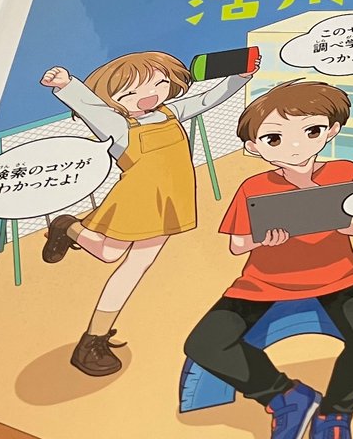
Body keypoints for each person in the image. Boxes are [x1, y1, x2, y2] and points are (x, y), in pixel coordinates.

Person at [183, 81, 353, 439]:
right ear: (254, 147)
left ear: (331, 130)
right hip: (264, 282)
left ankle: (334, 413)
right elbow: (237, 244)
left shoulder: (345, 172)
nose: (295, 146)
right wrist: (263, 239)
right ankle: (284, 397)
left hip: (339, 276)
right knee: (203, 344)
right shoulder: (254, 187)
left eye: (311, 131)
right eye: (275, 138)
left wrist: (344, 222)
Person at [39, 51, 252, 376]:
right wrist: (67, 84)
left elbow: (206, 99)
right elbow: (91, 108)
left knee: (136, 266)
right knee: (110, 254)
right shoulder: (117, 124)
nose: (150, 94)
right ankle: (69, 227)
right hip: (135, 201)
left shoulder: (169, 111)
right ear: (113, 98)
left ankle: (92, 340)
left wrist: (238, 78)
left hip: (170, 201)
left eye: (160, 83)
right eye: (131, 92)